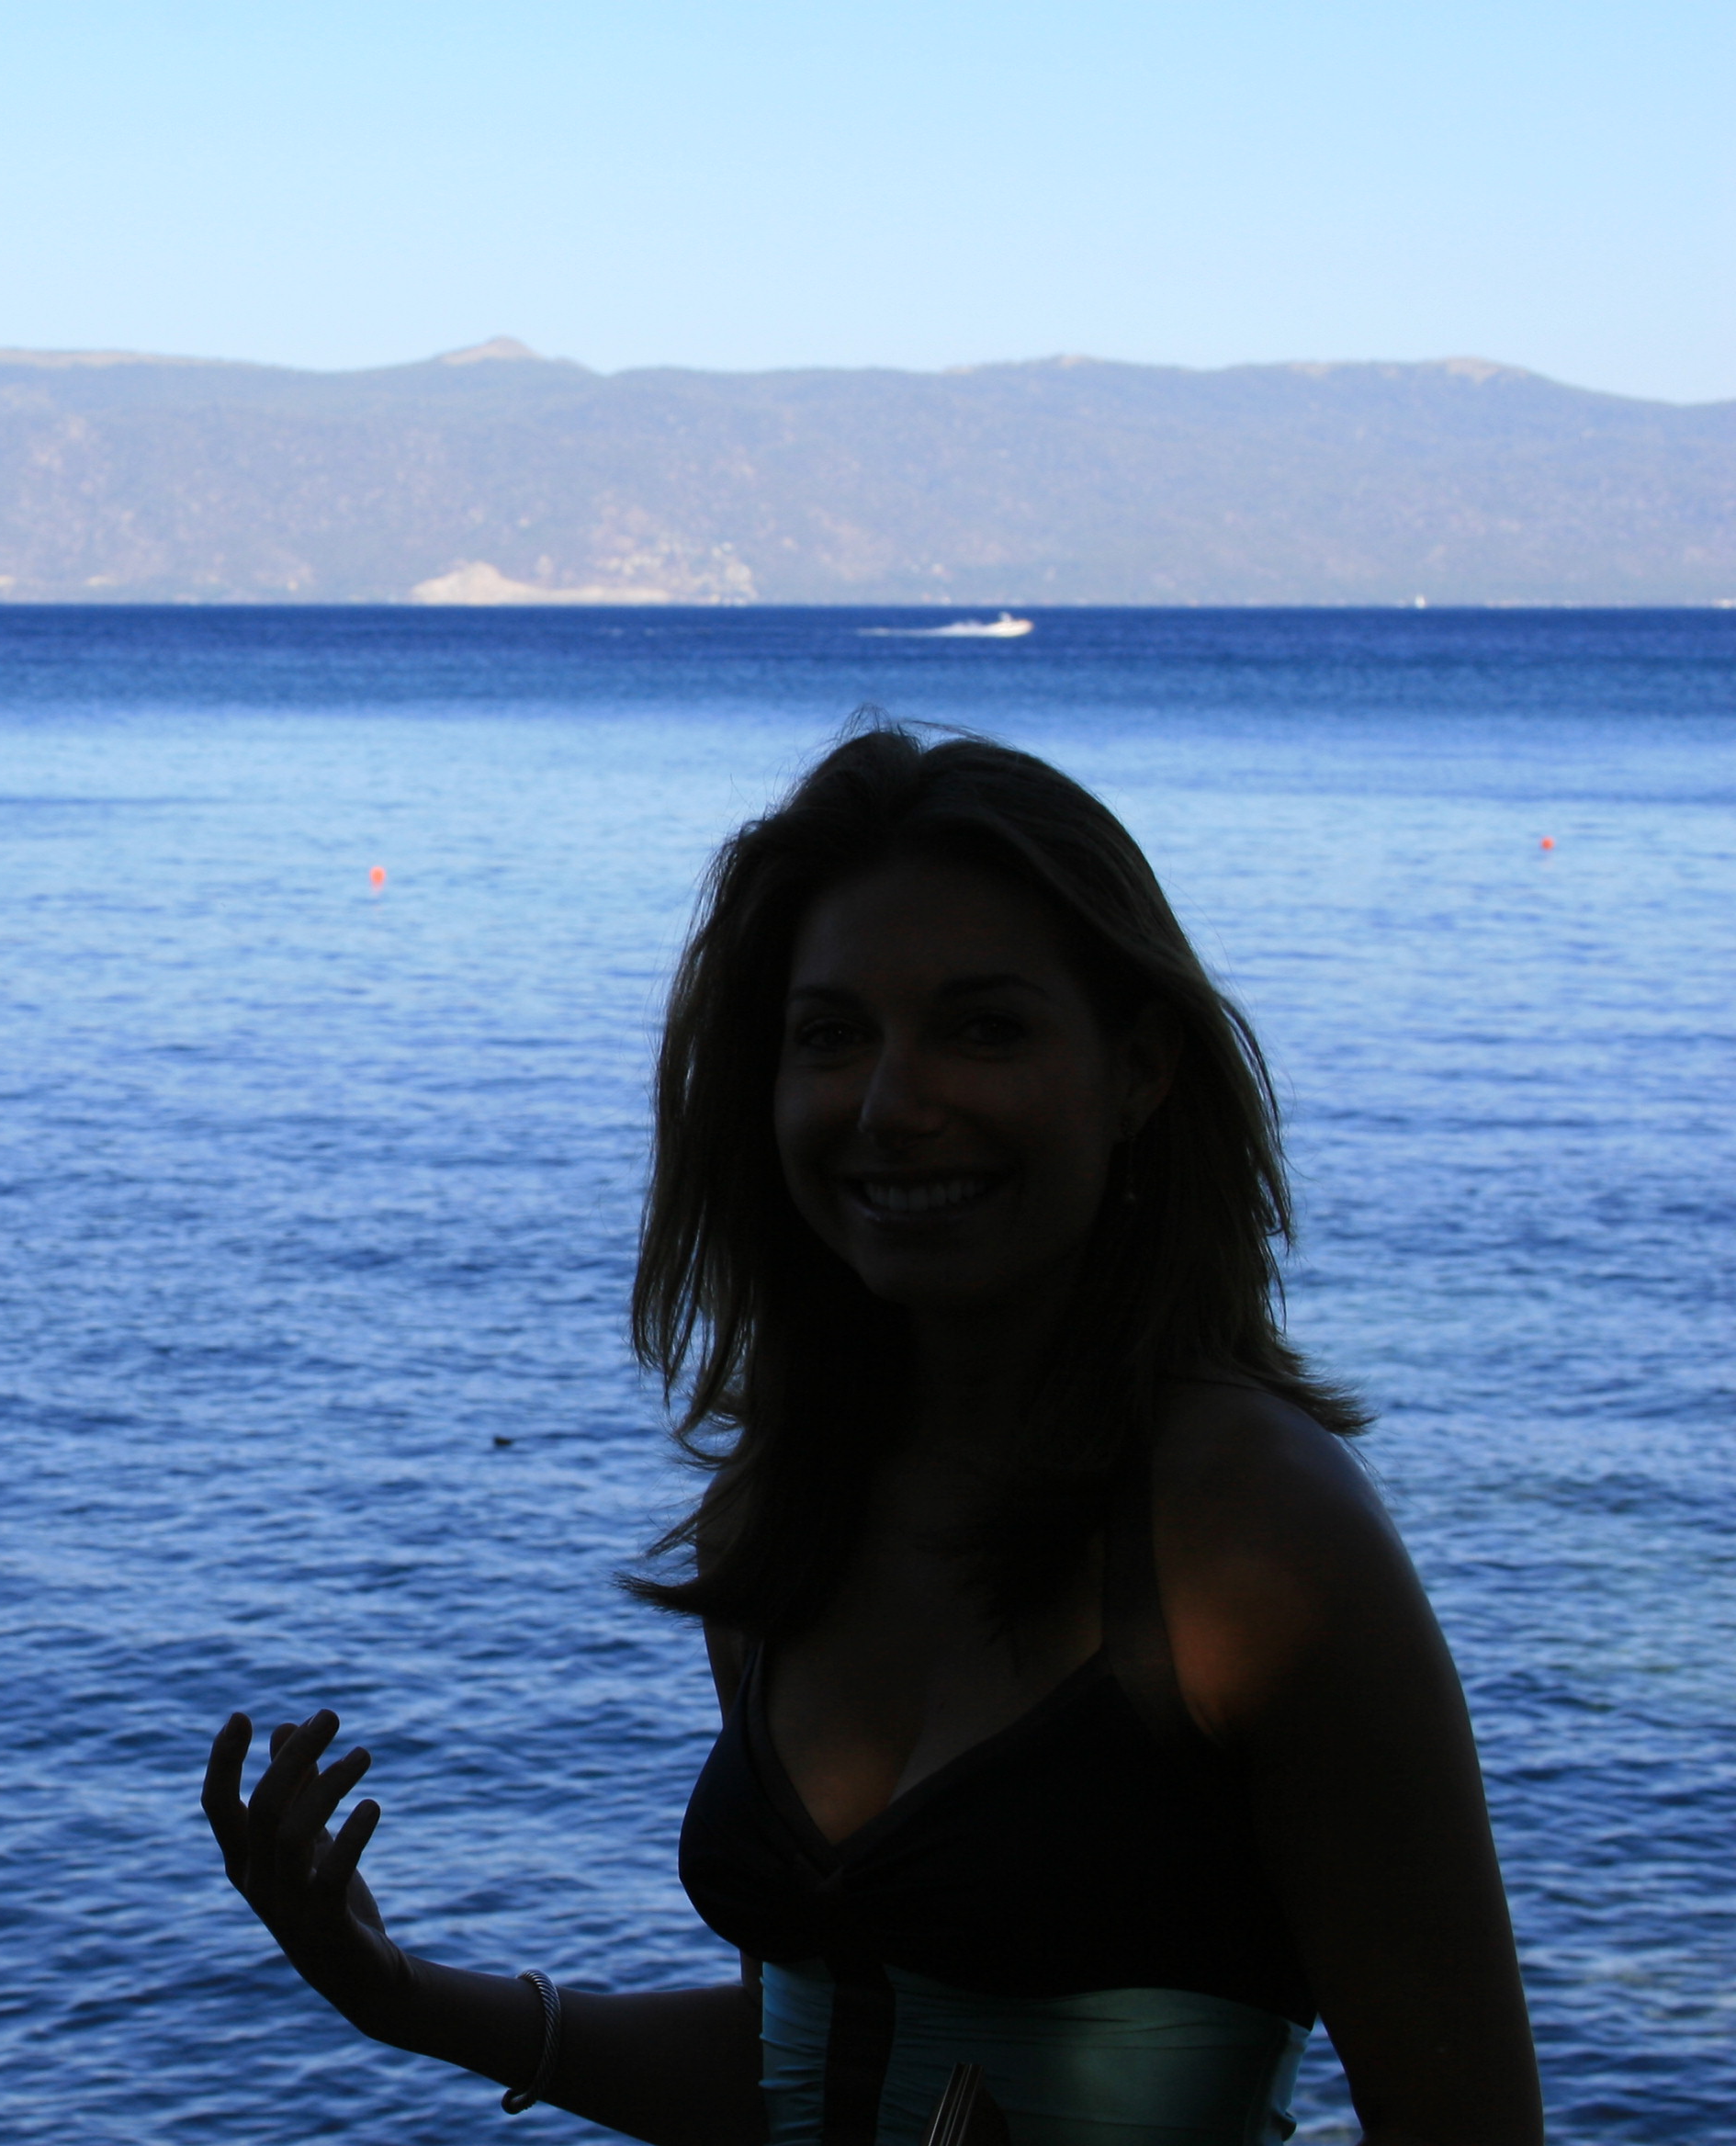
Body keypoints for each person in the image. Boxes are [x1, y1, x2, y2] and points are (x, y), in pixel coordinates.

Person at [201, 726, 1540, 2145]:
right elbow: (799, 2062)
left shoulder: (1258, 1542)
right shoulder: (786, 1512)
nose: (895, 1107)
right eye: (832, 1037)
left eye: (984, 1028)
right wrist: (397, 1992)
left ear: (1140, 1068)